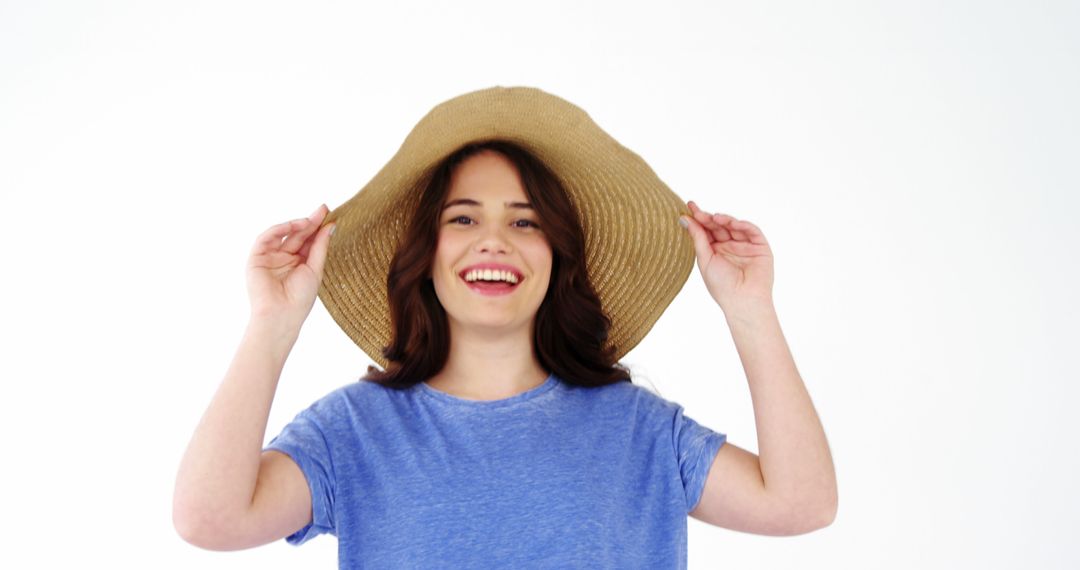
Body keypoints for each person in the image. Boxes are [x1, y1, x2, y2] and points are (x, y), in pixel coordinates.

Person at [173, 87, 837, 567]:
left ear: (559, 257)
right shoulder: (354, 433)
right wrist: (271, 322)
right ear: (424, 254)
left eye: (525, 222)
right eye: (463, 218)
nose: (494, 242)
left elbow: (801, 504)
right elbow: (209, 519)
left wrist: (751, 312)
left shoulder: (638, 431)